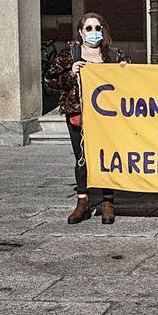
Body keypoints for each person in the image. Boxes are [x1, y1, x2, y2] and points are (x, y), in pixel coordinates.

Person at [44, 13, 127, 224]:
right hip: (78, 115)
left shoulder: (113, 55)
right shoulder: (69, 55)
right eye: (88, 29)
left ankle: (108, 202)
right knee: (82, 158)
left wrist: (125, 71)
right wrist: (70, 73)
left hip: (107, 117)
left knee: (106, 157)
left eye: (97, 28)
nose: (93, 33)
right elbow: (50, 81)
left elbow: (129, 83)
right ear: (80, 32)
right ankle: (82, 202)